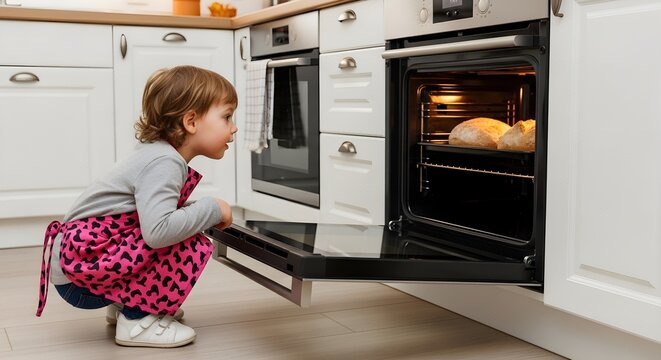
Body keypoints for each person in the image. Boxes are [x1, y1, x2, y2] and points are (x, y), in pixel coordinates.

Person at [36, 65, 238, 348]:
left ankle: (127, 305)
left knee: (182, 224)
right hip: (79, 276)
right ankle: (137, 320)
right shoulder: (164, 163)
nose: (234, 126)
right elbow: (157, 232)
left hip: (81, 264)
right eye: (227, 117)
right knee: (185, 239)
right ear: (191, 121)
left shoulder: (158, 154)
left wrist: (200, 212)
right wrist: (212, 208)